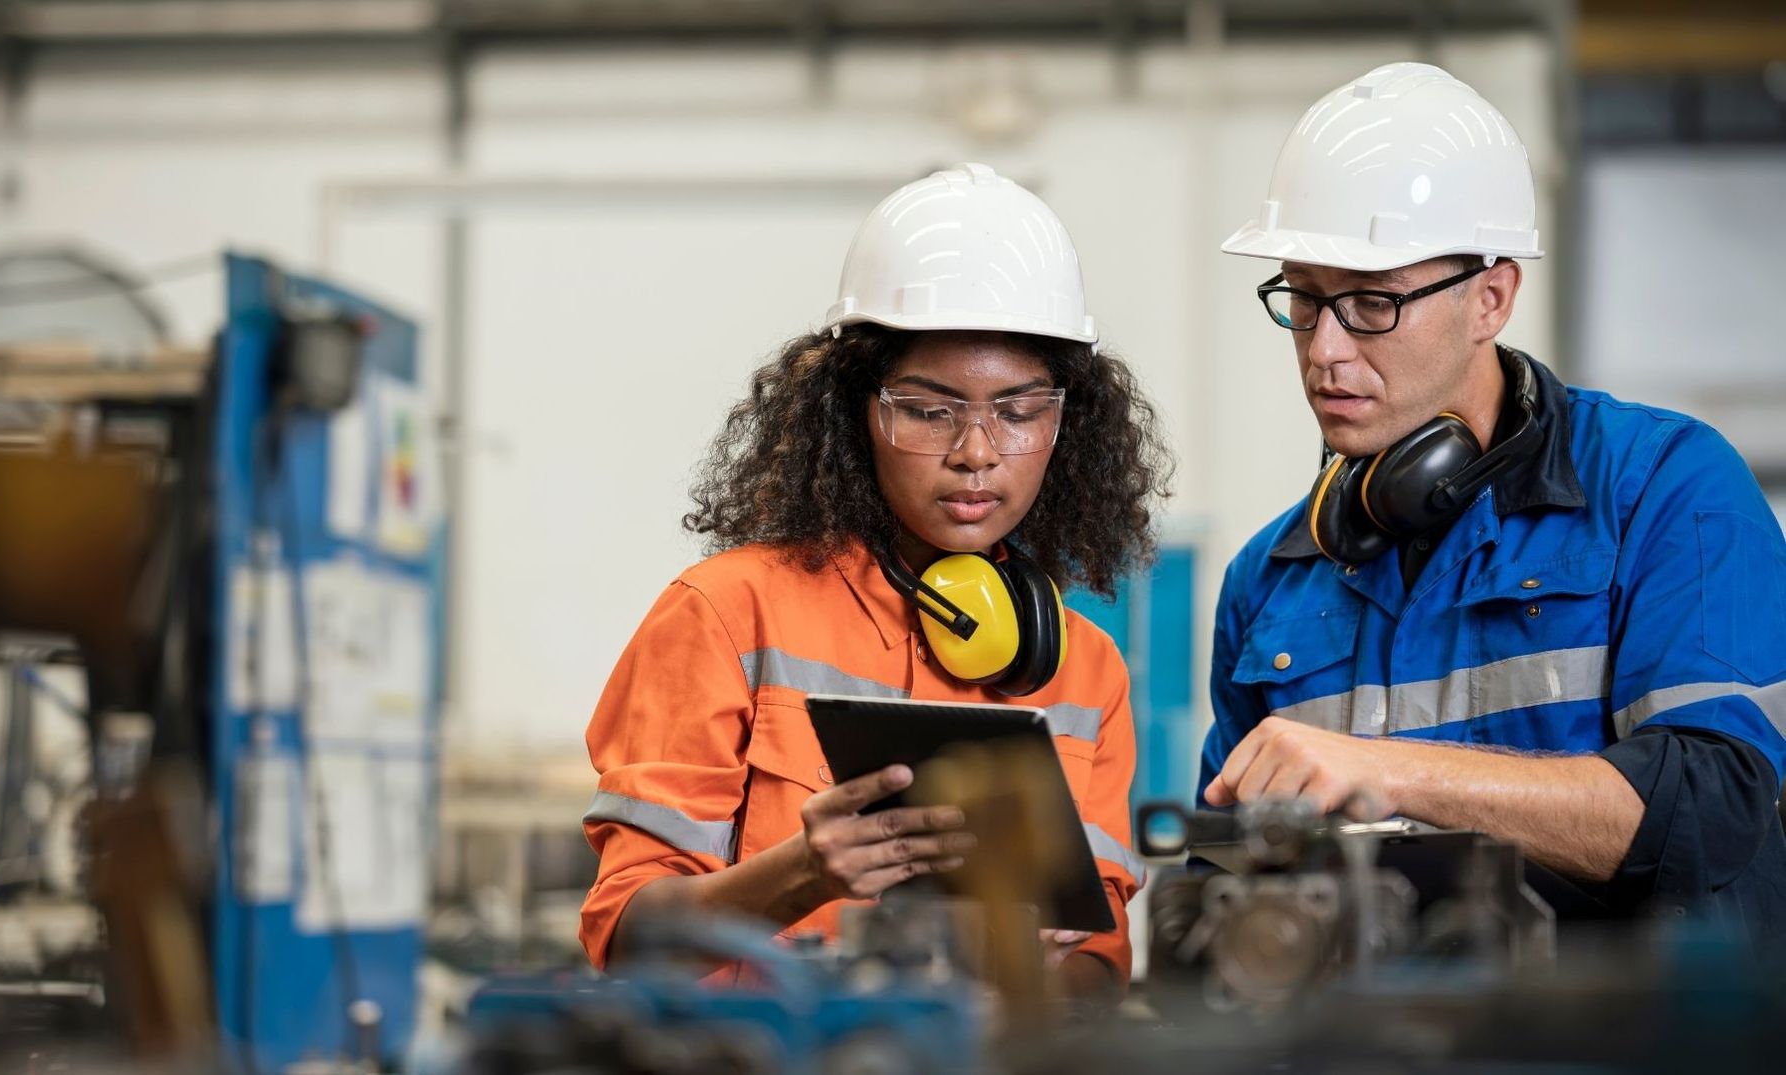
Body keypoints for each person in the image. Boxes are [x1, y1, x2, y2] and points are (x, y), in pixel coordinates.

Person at [1202, 62, 1786, 938]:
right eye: (1304, 299)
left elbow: (1707, 813)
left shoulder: (1664, 488)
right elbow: (1227, 882)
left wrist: (1389, 773)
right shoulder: (1271, 576)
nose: (1323, 350)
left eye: (1368, 304)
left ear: (1491, 296)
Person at [578, 163, 1172, 995]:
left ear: (1065, 423)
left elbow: (1102, 967)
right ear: (856, 411)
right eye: (929, 409)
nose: (976, 450)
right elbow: (627, 934)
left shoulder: (1086, 670)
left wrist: (1035, 972)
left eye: (1018, 409)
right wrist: (802, 872)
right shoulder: (726, 613)